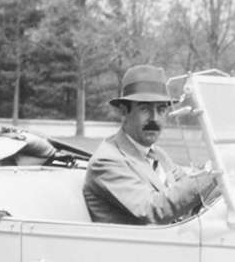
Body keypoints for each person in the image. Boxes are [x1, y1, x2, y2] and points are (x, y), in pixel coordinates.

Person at [83, 65, 218, 225]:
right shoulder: (107, 161)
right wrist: (214, 169)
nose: (154, 119)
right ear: (124, 113)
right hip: (132, 248)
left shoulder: (158, 155)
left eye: (161, 110)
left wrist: (233, 171)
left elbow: (190, 189)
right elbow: (154, 208)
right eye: (145, 109)